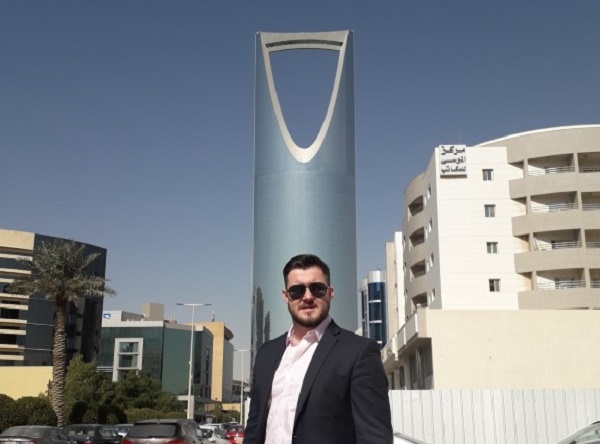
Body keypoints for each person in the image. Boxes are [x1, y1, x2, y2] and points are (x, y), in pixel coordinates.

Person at [244, 254, 393, 444]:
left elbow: (375, 437)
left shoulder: (359, 352)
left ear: (330, 293)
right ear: (286, 296)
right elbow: (254, 428)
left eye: (317, 288)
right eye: (297, 290)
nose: (307, 297)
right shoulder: (266, 353)